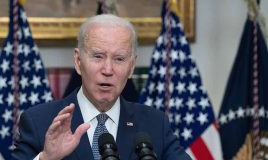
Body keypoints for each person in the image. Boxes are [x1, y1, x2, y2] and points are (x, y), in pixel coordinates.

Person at [12, 14, 191, 160]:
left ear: (131, 67)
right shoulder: (40, 121)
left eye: (119, 59)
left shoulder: (154, 123)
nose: (107, 70)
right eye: (98, 56)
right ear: (78, 61)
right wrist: (45, 159)